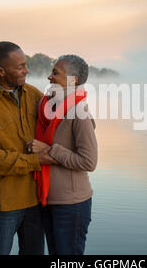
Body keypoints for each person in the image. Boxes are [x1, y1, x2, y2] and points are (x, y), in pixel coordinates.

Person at [0, 41, 57, 255]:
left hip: (36, 199)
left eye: (26, 64)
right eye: (20, 67)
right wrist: (35, 161)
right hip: (3, 203)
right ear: (0, 71)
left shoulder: (34, 95)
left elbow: (59, 126)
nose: (27, 70)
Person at [26, 54, 98, 255]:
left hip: (72, 206)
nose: (49, 77)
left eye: (55, 73)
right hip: (48, 200)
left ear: (72, 80)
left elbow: (89, 162)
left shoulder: (79, 112)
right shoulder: (48, 107)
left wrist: (50, 150)